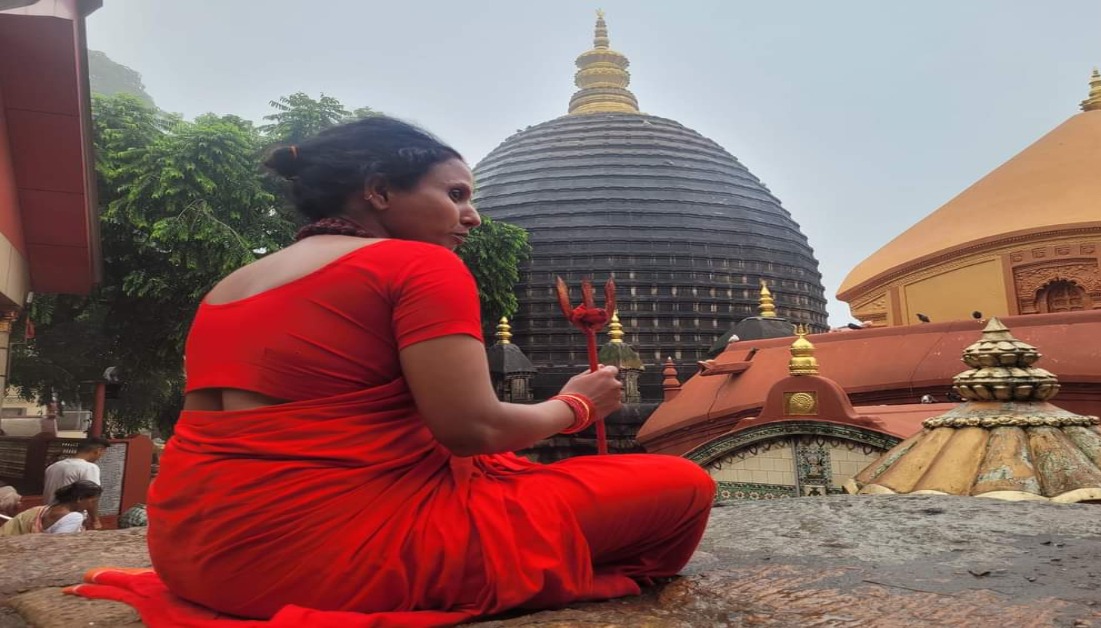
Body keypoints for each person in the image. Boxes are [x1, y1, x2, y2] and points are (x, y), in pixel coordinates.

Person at [118, 117, 715, 625]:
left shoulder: (231, 286)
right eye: (455, 195)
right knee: (682, 487)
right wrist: (576, 406)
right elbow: (471, 429)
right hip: (320, 564)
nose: (473, 216)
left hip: (191, 553)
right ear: (378, 192)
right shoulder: (419, 265)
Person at [43, 437, 109, 530]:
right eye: (102, 454)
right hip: (70, 518)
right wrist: (95, 520)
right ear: (98, 451)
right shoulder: (89, 468)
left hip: (48, 516)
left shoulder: (53, 467)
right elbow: (92, 497)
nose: (100, 457)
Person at [0, 480, 102, 536]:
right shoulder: (74, 517)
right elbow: (59, 546)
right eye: (93, 501)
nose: (92, 505)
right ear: (79, 499)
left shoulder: (43, 509)